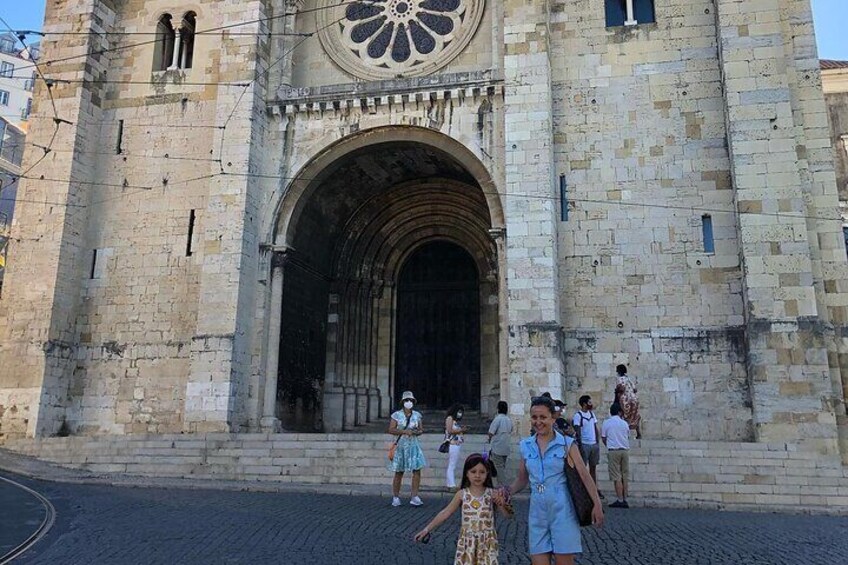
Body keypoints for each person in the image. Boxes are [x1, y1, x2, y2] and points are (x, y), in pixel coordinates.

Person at [497, 396, 603, 565]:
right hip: (537, 512)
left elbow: (585, 475)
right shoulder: (526, 445)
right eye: (534, 417)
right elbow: (522, 480)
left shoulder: (567, 445)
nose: (538, 422)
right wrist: (507, 491)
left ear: (553, 418)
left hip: (563, 511)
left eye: (543, 417)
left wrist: (597, 504)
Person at [414, 453, 512, 564]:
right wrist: (426, 529)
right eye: (473, 472)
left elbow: (508, 515)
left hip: (487, 543)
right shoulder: (462, 494)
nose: (477, 476)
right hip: (467, 544)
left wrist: (502, 504)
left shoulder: (492, 493)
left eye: (482, 472)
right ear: (467, 473)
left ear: (487, 473)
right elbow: (445, 513)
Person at [388, 390, 426, 507]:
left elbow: (421, 430)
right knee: (399, 472)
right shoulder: (396, 415)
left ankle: (414, 496)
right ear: (403, 402)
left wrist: (416, 432)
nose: (409, 402)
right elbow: (391, 429)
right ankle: (395, 497)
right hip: (401, 446)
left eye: (410, 400)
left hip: (413, 446)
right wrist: (404, 431)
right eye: (406, 400)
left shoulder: (417, 415)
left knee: (417, 471)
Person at [601, 403, 630, 508]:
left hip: (613, 450)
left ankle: (620, 499)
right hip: (624, 450)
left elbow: (603, 437)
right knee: (624, 475)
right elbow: (627, 436)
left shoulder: (606, 423)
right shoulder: (624, 423)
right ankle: (625, 498)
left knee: (616, 475)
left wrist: (609, 444)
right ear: (619, 412)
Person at [572, 395, 603, 499]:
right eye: (589, 402)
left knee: (593, 468)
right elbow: (577, 430)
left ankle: (594, 489)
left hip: (593, 444)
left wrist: (597, 442)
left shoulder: (591, 414)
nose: (591, 404)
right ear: (584, 404)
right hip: (584, 444)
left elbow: (595, 428)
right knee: (583, 468)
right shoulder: (578, 416)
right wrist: (580, 445)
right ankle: (584, 489)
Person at [487, 401, 513, 484]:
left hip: (497, 446)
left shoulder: (497, 419)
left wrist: (489, 439)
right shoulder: (509, 419)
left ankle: (504, 486)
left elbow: (491, 432)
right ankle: (499, 486)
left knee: (499, 468)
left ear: (498, 409)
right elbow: (511, 430)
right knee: (502, 466)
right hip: (506, 447)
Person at [614, 364, 642, 439]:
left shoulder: (619, 379)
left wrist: (617, 391)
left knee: (624, 416)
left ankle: (625, 435)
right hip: (634, 399)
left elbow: (622, 389)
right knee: (635, 416)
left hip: (625, 400)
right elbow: (635, 389)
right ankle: (638, 434)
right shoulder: (628, 378)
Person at [445, 403, 466, 488]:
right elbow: (449, 430)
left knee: (453, 464)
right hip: (452, 444)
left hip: (457, 444)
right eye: (459, 411)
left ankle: (450, 483)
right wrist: (461, 430)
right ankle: (451, 484)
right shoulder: (449, 418)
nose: (460, 414)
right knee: (452, 465)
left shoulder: (455, 421)